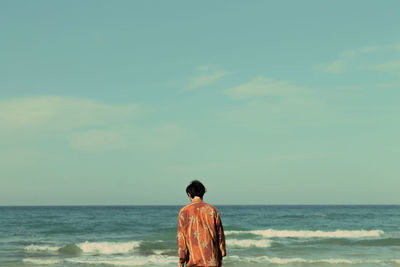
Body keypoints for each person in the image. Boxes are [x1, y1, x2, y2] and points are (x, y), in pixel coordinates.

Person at [177, 180, 226, 267]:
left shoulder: (184, 212)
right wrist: (222, 251)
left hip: (193, 260)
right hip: (212, 260)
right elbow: (220, 234)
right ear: (203, 193)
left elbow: (182, 238)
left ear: (189, 194)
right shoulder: (211, 210)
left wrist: (181, 259)